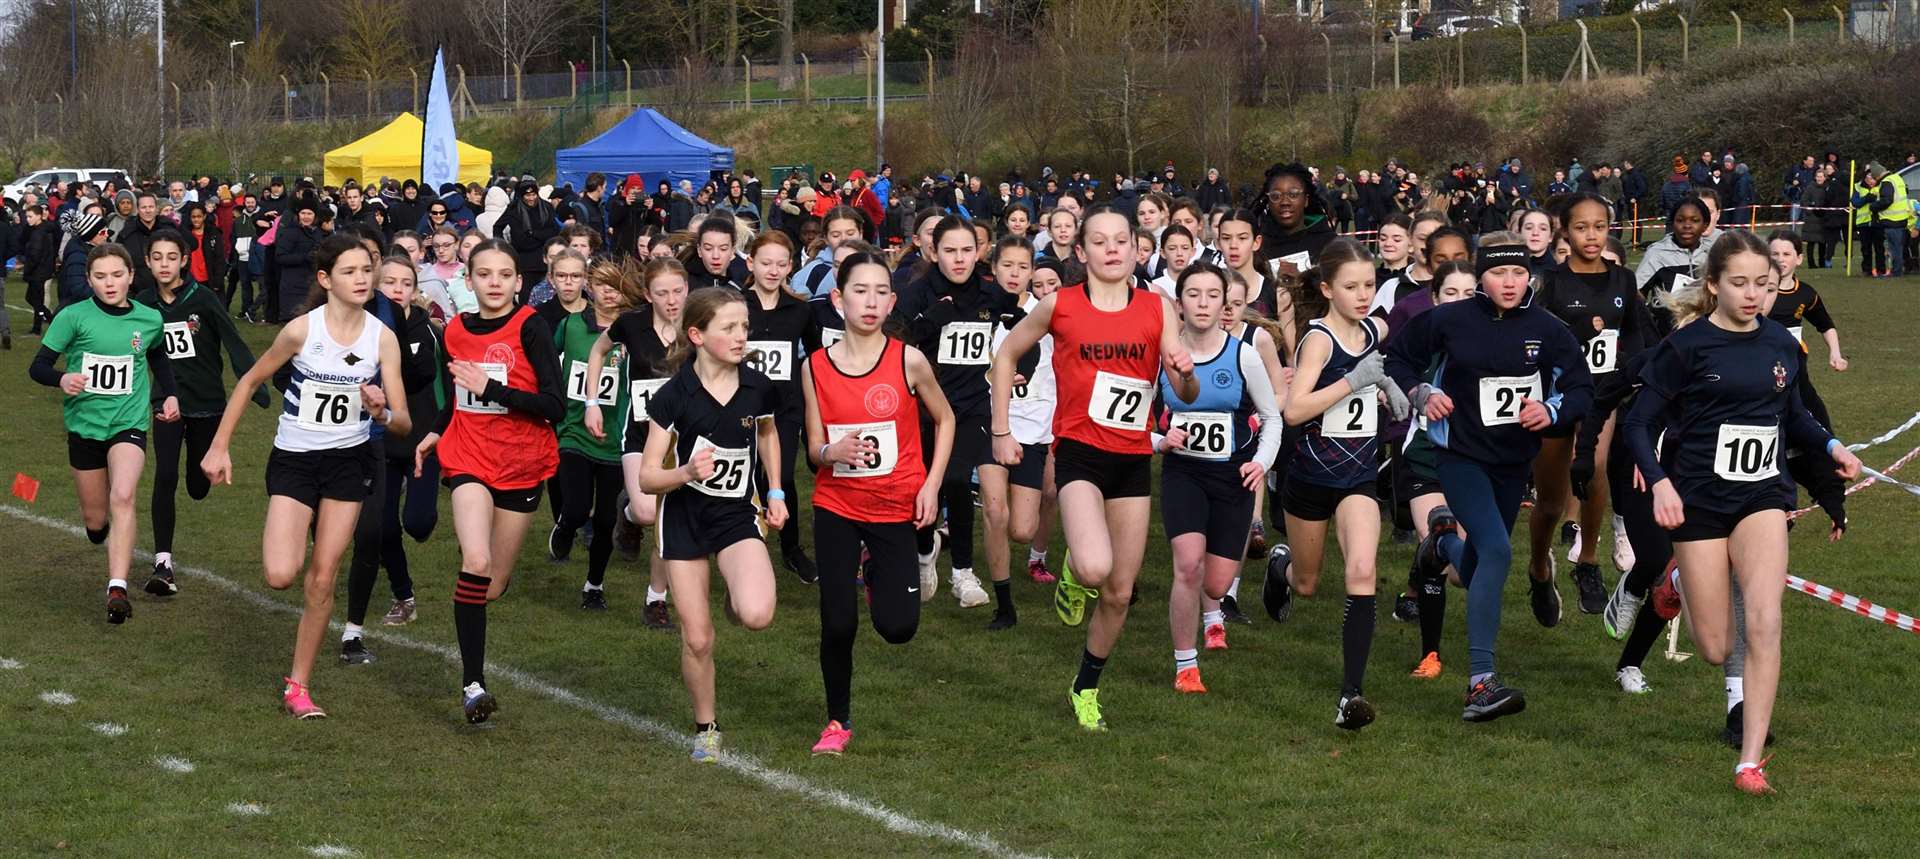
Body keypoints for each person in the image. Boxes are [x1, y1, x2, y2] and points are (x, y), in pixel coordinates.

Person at [1621, 230, 1861, 794]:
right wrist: (1659, 482)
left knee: (1765, 619)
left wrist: (1832, 447)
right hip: (1698, 501)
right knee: (1715, 646)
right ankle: (1675, 579)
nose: (1754, 294)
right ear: (1713, 285)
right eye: (1740, 283)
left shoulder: (1781, 343)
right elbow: (1638, 423)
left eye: (1764, 283)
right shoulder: (1687, 346)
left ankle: (1749, 761)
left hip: (1762, 497)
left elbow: (1795, 415)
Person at [990, 208, 1198, 731]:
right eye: (1099, 241)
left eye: (1121, 241)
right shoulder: (1060, 305)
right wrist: (1000, 429)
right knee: (1093, 568)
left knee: (1120, 592)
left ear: (1135, 250)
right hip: (1079, 452)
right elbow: (1006, 356)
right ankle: (1071, 571)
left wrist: (1184, 376)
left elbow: (1185, 392)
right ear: (1080, 253)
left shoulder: (1158, 308)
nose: (1112, 249)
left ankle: (1085, 685)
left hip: (1131, 460)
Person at [1382, 233, 1591, 722]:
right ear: (1480, 276)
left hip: (1513, 462)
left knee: (1476, 567)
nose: (1510, 282)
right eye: (1499, 273)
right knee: (1497, 551)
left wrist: (1552, 408)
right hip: (1460, 457)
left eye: (1519, 273)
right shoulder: (1450, 320)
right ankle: (1481, 683)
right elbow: (1399, 358)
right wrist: (1421, 393)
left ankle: (1441, 548)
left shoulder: (1548, 328)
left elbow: (1582, 387)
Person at [201, 234, 411, 718]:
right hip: (295, 459)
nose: (362, 279)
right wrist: (219, 447)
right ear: (325, 279)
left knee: (322, 579)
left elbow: (402, 421)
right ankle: (292, 529)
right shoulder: (301, 331)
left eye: (366, 270)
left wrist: (381, 413)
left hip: (348, 462)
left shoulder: (383, 338)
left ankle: (299, 687)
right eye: (350, 272)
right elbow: (251, 380)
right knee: (280, 574)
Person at [801, 250, 955, 755]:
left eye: (880, 292)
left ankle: (878, 570)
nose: (870, 302)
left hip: (895, 506)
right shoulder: (816, 367)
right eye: (859, 292)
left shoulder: (908, 360)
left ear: (891, 301)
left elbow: (946, 420)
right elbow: (813, 448)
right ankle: (837, 721)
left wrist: (931, 485)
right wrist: (832, 452)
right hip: (838, 505)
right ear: (837, 299)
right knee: (838, 621)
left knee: (898, 628)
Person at [410, 239, 562, 723]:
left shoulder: (532, 327)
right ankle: (473, 686)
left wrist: (493, 388)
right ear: (468, 280)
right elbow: (454, 398)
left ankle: (489, 579)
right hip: (468, 456)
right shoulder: (454, 330)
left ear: (519, 282)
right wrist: (433, 432)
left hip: (521, 461)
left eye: (503, 275)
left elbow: (555, 407)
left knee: (491, 583)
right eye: (484, 274)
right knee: (475, 561)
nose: (493, 283)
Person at [636, 287, 788, 762]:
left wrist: (777, 490)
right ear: (697, 335)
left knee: (757, 615)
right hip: (682, 519)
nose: (741, 336)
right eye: (729, 327)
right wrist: (684, 473)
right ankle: (706, 727)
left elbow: (767, 432)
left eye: (744, 326)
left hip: (735, 515)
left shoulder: (758, 386)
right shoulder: (673, 397)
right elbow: (646, 476)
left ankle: (733, 588)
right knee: (698, 638)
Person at [1266, 240, 1408, 727]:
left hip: (1357, 478)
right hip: (1308, 477)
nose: (1363, 295)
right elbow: (1294, 410)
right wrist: (1355, 381)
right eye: (1351, 287)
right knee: (1307, 584)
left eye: (1369, 284)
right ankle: (1280, 568)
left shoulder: (1371, 329)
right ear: (1327, 290)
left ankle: (1350, 697)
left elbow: (1387, 346)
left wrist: (1387, 386)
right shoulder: (1319, 339)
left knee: (1363, 571)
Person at [28, 242, 181, 622]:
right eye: (100, 277)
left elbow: (158, 357)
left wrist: (170, 394)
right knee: (96, 522)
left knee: (124, 495)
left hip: (129, 423)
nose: (109, 283)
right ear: (89, 280)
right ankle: (103, 533)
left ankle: (117, 588)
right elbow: (38, 366)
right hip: (85, 426)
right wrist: (62, 378)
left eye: (117, 275)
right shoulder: (73, 317)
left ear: (131, 276)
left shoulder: (148, 319)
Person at [1156, 265, 1283, 695]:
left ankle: (1216, 610)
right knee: (1188, 566)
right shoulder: (1164, 357)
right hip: (1184, 472)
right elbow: (1137, 417)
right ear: (1180, 304)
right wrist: (1161, 439)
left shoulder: (1242, 354)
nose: (1205, 303)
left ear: (1225, 303)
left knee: (1214, 582)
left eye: (1214, 295)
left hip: (1234, 477)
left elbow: (1271, 418)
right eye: (1194, 294)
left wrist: (1261, 463)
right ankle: (1185, 665)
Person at [1528, 193, 1655, 617]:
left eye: (1599, 226)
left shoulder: (1624, 280)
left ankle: (1588, 562)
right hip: (1559, 398)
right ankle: (1539, 569)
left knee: (1595, 469)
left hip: (1603, 396)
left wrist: (1633, 375)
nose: (1592, 235)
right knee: (1550, 500)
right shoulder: (1551, 283)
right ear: (1564, 230)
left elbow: (1633, 335)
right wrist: (1575, 337)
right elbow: (1536, 345)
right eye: (1581, 227)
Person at [134, 228, 269, 593]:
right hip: (167, 403)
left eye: (171, 257)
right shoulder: (143, 304)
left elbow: (234, 343)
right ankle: (163, 562)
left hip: (207, 405)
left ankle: (199, 477)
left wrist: (256, 386)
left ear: (183, 260)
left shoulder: (204, 299)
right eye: (157, 257)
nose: (164, 264)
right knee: (164, 475)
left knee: (197, 486)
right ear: (147, 261)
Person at [895, 216, 1021, 608]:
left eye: (968, 250)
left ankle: (963, 572)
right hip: (925, 409)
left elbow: (1021, 333)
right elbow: (895, 341)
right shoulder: (916, 294)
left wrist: (1017, 368)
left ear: (980, 251)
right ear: (934, 252)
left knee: (954, 480)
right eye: (950, 251)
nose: (959, 259)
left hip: (971, 408)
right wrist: (931, 322)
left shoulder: (991, 294)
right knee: (920, 488)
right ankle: (923, 548)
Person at [583, 258, 688, 631]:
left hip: (683, 441)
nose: (672, 300)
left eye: (678, 291)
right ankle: (627, 517)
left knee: (665, 520)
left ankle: (655, 599)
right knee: (645, 513)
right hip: (640, 436)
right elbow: (597, 352)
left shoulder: (696, 327)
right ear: (648, 295)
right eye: (662, 293)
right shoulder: (630, 325)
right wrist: (592, 403)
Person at [342, 256, 442, 635]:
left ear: (415, 291)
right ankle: (405, 597)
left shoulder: (423, 328)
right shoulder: (357, 327)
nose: (397, 289)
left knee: (416, 524)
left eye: (406, 283)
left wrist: (394, 336)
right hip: (378, 441)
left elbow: (422, 375)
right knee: (381, 528)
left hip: (420, 438)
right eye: (389, 282)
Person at [977, 242, 1060, 632]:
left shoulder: (1045, 314)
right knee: (995, 512)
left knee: (1021, 529)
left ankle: (1028, 553)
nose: (1014, 272)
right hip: (988, 422)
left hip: (1033, 428)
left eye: (1022, 266)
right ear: (993, 267)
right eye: (1006, 264)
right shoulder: (980, 312)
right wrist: (994, 379)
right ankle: (1004, 604)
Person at [547, 257, 638, 609]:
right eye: (603, 285)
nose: (610, 293)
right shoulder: (570, 325)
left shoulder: (632, 330)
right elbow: (547, 363)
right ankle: (566, 525)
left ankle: (594, 585)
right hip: (574, 430)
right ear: (590, 287)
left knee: (604, 520)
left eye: (617, 286)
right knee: (576, 507)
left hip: (616, 436)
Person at [739, 230, 819, 582]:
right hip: (739, 407)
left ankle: (791, 549)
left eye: (781, 264)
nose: (773, 271)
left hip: (785, 409)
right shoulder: (735, 304)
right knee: (745, 479)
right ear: (751, 263)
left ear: (791, 266)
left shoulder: (800, 310)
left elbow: (817, 358)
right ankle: (742, 547)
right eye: (766, 263)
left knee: (782, 476)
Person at [1764, 231, 1846, 371]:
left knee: (1804, 393)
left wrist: (1835, 353)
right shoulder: (1755, 290)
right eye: (1775, 254)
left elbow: (1826, 325)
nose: (1780, 259)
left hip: (1794, 360)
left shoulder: (1806, 294)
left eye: (1786, 254)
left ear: (1799, 259)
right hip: (1760, 358)